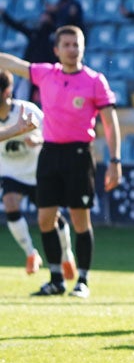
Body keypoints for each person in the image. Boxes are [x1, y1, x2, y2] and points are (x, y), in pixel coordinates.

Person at [0, 26, 122, 299]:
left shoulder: (94, 80)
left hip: (79, 154)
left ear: (83, 47)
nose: (72, 49)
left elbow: (110, 123)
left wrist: (115, 160)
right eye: (66, 45)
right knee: (45, 219)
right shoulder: (46, 74)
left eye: (76, 44)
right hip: (50, 152)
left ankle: (83, 280)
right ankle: (56, 278)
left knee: (80, 219)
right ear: (56, 50)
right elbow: (10, 63)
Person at [0, 70, 76, 278]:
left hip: (37, 171)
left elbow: (53, 134)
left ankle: (67, 255)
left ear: (7, 91)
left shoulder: (27, 110)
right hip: (11, 172)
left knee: (52, 218)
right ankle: (30, 253)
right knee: (10, 203)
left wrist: (38, 141)